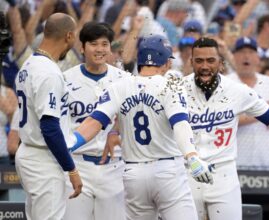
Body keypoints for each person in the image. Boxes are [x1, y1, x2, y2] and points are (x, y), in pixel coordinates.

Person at [70, 35, 213, 220]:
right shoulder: (171, 85)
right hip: (167, 170)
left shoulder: (119, 86)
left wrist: (68, 144)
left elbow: (93, 122)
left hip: (133, 174)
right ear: (165, 61)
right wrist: (192, 156)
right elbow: (180, 123)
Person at [183, 37, 269, 220]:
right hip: (187, 171)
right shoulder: (178, 89)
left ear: (221, 63)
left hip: (223, 173)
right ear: (191, 62)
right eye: (199, 60)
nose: (205, 66)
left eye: (211, 60)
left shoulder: (237, 90)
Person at [14, 13, 82, 220]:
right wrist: (71, 169)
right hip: (42, 158)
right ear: (69, 36)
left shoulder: (28, 65)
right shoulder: (48, 72)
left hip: (29, 152)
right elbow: (50, 128)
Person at [63, 21, 128, 220]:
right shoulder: (65, 80)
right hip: (77, 164)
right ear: (82, 48)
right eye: (93, 44)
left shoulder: (124, 79)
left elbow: (128, 119)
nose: (99, 49)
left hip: (114, 167)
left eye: (104, 44)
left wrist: (116, 130)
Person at [228, 37, 269, 170]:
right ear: (233, 56)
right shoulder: (225, 83)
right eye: (241, 52)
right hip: (233, 163)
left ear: (258, 57)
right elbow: (224, 119)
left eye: (251, 52)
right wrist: (265, 111)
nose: (246, 56)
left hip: (265, 161)